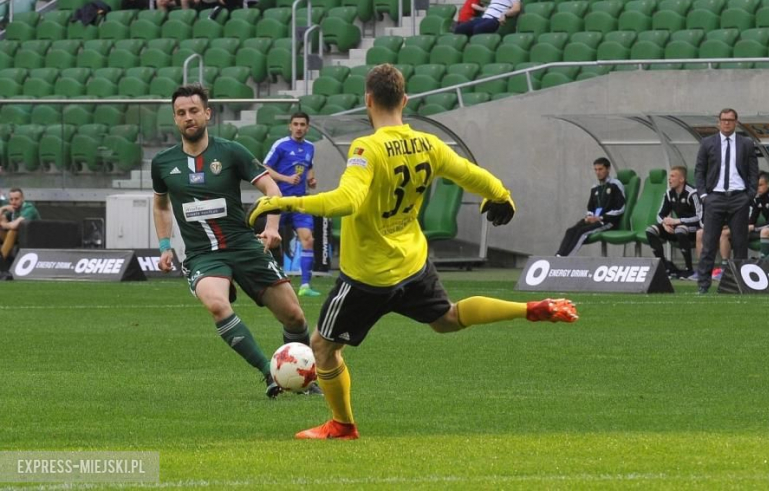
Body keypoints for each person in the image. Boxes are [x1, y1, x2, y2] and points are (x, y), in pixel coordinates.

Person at [246, 64, 578, 440]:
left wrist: (285, 204)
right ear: (404, 100)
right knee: (447, 319)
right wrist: (501, 195)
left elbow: (346, 200)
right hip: (413, 263)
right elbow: (472, 173)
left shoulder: (366, 148)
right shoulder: (429, 144)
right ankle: (531, 309)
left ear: (368, 101)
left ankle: (341, 425)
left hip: (369, 275)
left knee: (323, 346)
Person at [151, 84, 321, 398]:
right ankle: (269, 374)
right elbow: (160, 204)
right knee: (217, 304)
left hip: (244, 244)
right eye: (181, 113)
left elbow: (272, 189)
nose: (188, 117)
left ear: (207, 113)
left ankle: (304, 378)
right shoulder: (163, 163)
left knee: (295, 316)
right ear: (175, 119)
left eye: (194, 111)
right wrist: (164, 246)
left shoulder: (230, 151)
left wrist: (271, 226)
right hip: (203, 254)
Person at [694, 108, 759, 294]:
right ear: (718, 122)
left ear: (736, 122)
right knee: (709, 243)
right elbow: (699, 170)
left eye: (730, 120)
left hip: (739, 197)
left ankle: (740, 285)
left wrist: (750, 194)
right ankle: (703, 286)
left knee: (740, 243)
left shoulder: (746, 143)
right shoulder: (708, 143)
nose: (727, 123)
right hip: (715, 197)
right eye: (724, 120)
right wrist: (704, 195)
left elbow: (753, 171)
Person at [262, 112, 321, 297]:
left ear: (307, 127)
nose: (299, 128)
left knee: (308, 240)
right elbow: (265, 168)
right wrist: (285, 178)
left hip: (299, 202)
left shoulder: (310, 147)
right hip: (279, 200)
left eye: (302, 124)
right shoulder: (281, 145)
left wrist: (311, 180)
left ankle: (305, 285)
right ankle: (264, 279)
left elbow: (308, 167)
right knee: (268, 240)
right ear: (290, 126)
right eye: (295, 124)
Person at [555, 157, 625, 257]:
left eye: (600, 169)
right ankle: (558, 255)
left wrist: (600, 217)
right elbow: (590, 207)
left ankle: (565, 258)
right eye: (595, 170)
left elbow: (620, 208)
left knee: (582, 232)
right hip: (594, 219)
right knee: (570, 230)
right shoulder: (595, 187)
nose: (598, 172)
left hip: (607, 221)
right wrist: (589, 217)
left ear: (608, 169)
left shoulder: (615, 185)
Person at [645, 166, 701, 279]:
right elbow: (660, 215)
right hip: (675, 227)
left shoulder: (692, 193)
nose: (669, 179)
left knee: (680, 229)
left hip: (694, 229)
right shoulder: (669, 193)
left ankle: (689, 269)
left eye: (672, 176)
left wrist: (678, 221)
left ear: (682, 179)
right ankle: (664, 266)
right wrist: (665, 224)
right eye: (669, 176)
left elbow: (699, 217)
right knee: (650, 230)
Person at [719, 171, 769, 260]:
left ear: (768, 184)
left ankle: (764, 262)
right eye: (755, 186)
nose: (757, 188)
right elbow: (752, 219)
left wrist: (753, 227)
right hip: (764, 228)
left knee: (765, 231)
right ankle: (726, 265)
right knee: (725, 233)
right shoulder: (757, 198)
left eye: (760, 185)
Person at [0, 187, 41, 279]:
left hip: (33, 239)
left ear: (22, 198)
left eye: (16, 199)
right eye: (11, 199)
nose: (13, 202)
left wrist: (3, 224)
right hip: (17, 239)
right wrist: (3, 208)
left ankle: (1, 263)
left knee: (12, 231)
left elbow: (14, 226)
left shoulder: (29, 208)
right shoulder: (13, 210)